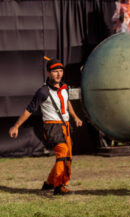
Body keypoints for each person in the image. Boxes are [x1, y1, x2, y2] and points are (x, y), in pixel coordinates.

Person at [9, 58, 83, 195]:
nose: (59, 74)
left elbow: (67, 103)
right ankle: (59, 186)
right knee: (62, 153)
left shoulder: (65, 87)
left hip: (65, 126)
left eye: (61, 71)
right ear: (48, 73)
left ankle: (49, 183)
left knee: (68, 156)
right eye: (55, 71)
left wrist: (75, 117)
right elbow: (29, 109)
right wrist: (16, 126)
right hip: (52, 127)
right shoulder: (42, 91)